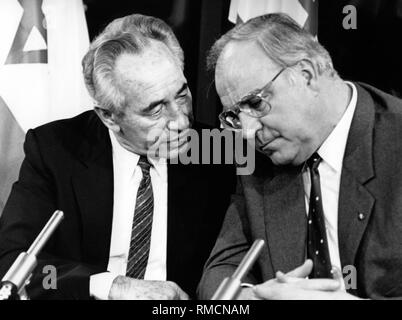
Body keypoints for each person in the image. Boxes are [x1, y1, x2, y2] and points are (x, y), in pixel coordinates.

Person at [0, 14, 235, 300]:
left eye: (182, 94)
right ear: (109, 116)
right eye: (155, 109)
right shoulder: (57, 151)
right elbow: (13, 265)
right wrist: (109, 286)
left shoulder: (218, 149)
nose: (181, 121)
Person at [198, 13, 402, 300]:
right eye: (234, 116)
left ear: (306, 75)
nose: (247, 132)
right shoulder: (260, 160)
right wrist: (253, 297)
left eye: (255, 103)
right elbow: (219, 274)